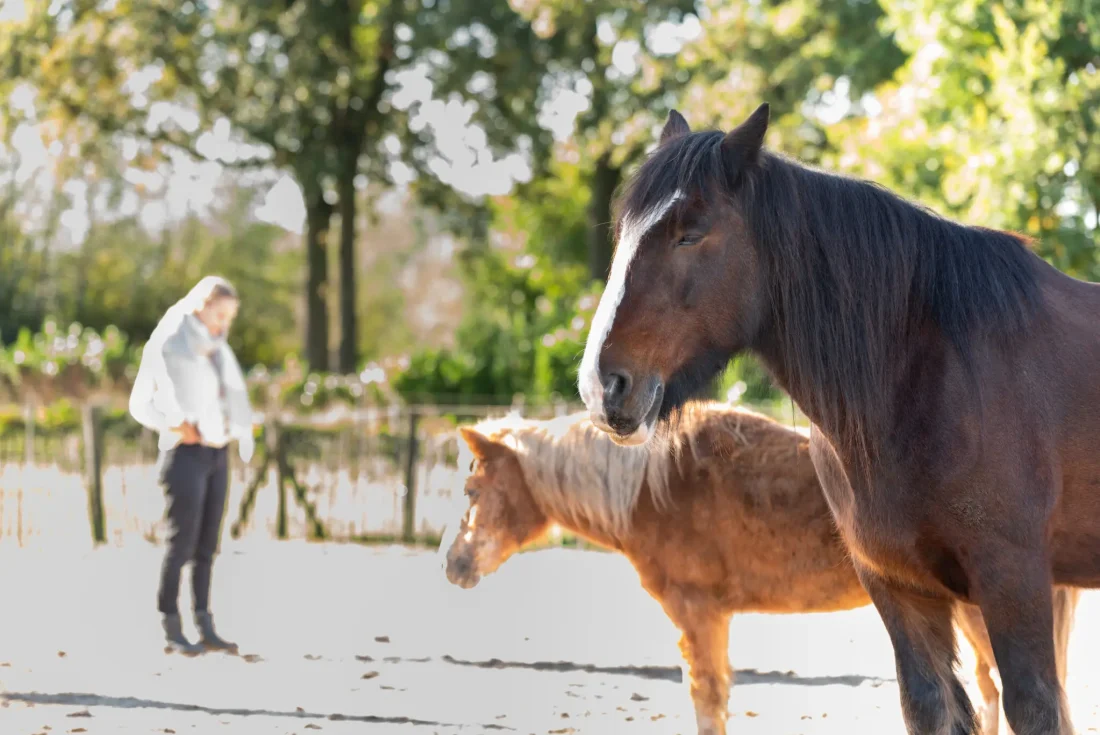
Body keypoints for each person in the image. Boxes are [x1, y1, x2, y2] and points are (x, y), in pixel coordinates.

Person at [129, 276, 256, 655]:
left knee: (208, 546)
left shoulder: (218, 351)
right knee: (180, 544)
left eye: (230, 317)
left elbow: (228, 397)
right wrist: (172, 424)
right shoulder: (170, 343)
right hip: (184, 456)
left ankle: (205, 625)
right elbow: (139, 403)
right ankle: (170, 625)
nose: (223, 323)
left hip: (217, 454)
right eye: (219, 314)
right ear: (200, 305)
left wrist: (239, 424)